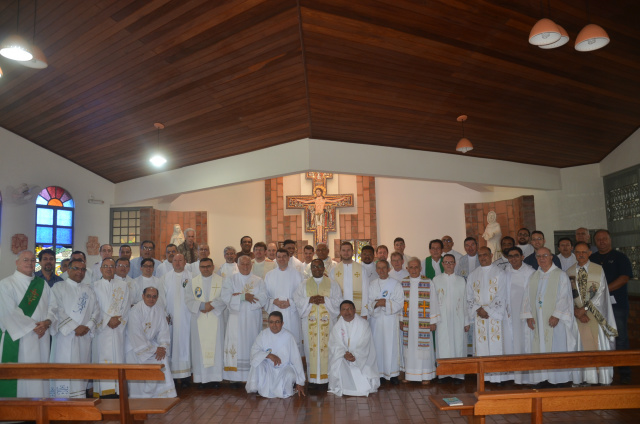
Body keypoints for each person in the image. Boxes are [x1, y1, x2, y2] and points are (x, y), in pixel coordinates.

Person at [0, 250, 55, 397]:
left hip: (40, 339)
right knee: (20, 377)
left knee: (38, 377)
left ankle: (38, 410)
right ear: (17, 262)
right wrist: (36, 327)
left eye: (32, 260)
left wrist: (48, 322)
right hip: (18, 338)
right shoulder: (6, 284)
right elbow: (9, 313)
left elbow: (53, 306)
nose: (30, 263)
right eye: (25, 260)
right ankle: (16, 412)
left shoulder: (42, 284)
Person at [521, 247, 577, 385]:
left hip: (554, 321)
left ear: (551, 257)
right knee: (538, 347)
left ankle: (558, 379)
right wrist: (528, 316)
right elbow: (527, 297)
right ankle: (541, 378)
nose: (541, 258)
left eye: (545, 255)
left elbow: (565, 297)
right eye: (538, 256)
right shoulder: (534, 276)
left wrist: (557, 315)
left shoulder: (560, 275)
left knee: (556, 347)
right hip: (537, 320)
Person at [569, 242, 618, 385]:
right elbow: (567, 294)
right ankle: (583, 378)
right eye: (578, 252)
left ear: (590, 253)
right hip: (577, 316)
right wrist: (575, 310)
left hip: (595, 314)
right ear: (574, 253)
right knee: (581, 346)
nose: (581, 255)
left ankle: (601, 378)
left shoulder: (598, 269)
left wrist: (584, 309)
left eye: (584, 252)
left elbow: (601, 292)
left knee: (597, 344)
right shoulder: (569, 271)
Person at [589, 229, 633, 385]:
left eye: (604, 239)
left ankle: (625, 373)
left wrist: (604, 290)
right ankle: (602, 372)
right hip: (596, 307)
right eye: (599, 239)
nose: (602, 241)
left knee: (620, 339)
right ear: (595, 242)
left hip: (617, 306)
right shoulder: (591, 258)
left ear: (610, 240)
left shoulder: (620, 257)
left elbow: (624, 278)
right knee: (599, 339)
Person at [50, 258, 99, 395]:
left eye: (83, 269)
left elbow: (96, 310)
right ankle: (61, 399)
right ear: (68, 270)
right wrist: (74, 327)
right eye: (76, 268)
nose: (80, 272)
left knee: (81, 368)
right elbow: (56, 309)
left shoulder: (89, 290)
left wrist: (88, 326)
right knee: (64, 367)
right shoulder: (58, 287)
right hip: (65, 337)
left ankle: (79, 400)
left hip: (84, 337)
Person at [294, 259, 342, 385]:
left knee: (328, 348)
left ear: (323, 268)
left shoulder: (333, 284)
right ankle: (313, 379)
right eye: (314, 267)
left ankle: (327, 379)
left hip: (328, 325)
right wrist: (309, 300)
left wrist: (325, 299)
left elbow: (338, 302)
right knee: (311, 350)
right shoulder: (303, 284)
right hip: (309, 325)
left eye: (319, 266)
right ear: (311, 269)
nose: (316, 269)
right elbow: (297, 301)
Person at [221, 255, 268, 385]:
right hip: (236, 320)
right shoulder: (231, 280)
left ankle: (251, 376)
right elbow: (225, 297)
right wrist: (243, 297)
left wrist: (240, 297)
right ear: (238, 265)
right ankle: (235, 378)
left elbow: (263, 298)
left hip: (253, 320)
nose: (246, 267)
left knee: (252, 343)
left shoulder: (258, 280)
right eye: (243, 264)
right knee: (236, 345)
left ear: (251, 265)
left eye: (248, 264)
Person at [466, 247, 508, 382]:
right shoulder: (473, 274)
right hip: (480, 316)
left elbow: (501, 295)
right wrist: (479, 309)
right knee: (481, 345)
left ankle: (497, 378)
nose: (483, 257)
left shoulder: (500, 273)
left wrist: (488, 310)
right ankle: (484, 378)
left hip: (494, 316)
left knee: (497, 344)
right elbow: (469, 296)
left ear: (491, 255)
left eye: (485, 255)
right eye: (480, 255)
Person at [125, 287, 177, 398]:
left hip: (150, 346)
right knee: (137, 376)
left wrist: (162, 347)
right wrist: (154, 349)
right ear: (143, 296)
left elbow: (164, 331)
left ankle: (158, 395)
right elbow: (136, 334)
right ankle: (138, 399)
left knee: (163, 359)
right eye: (148, 296)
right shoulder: (135, 311)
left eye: (154, 297)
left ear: (157, 298)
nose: (151, 299)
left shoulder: (159, 309)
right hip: (134, 347)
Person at [185, 258, 226, 389]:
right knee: (199, 349)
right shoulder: (193, 282)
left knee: (216, 348)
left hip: (215, 317)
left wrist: (212, 305)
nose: (205, 269)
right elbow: (188, 299)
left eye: (208, 266)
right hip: (199, 319)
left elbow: (224, 297)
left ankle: (215, 378)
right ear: (199, 268)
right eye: (203, 267)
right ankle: (201, 378)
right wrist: (202, 305)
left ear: (213, 267)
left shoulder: (221, 281)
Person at [246, 311, 306, 398]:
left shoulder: (289, 337)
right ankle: (257, 389)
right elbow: (254, 352)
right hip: (268, 368)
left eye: (277, 322)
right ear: (268, 323)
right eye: (271, 322)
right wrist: (269, 355)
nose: (274, 325)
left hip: (284, 368)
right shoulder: (263, 335)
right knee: (257, 363)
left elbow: (296, 359)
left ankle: (283, 390)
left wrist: (300, 383)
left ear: (282, 323)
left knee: (290, 375)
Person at [93, 257, 130, 397]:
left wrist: (119, 320)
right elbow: (94, 307)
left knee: (118, 358)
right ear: (101, 269)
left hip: (118, 331)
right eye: (105, 266)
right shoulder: (94, 286)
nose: (109, 268)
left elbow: (126, 307)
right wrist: (107, 319)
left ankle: (118, 390)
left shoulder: (123, 285)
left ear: (114, 269)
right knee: (101, 358)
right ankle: (103, 391)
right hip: (102, 330)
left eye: (111, 266)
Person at [400, 257, 440, 384]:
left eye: (416, 267)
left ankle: (426, 375)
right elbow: (401, 303)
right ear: (407, 269)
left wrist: (433, 320)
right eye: (411, 267)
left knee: (424, 348)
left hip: (423, 321)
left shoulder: (428, 282)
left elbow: (434, 301)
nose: (413, 269)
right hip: (409, 322)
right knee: (409, 347)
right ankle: (410, 374)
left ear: (420, 268)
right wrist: (401, 319)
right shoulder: (403, 283)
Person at [328, 301, 380, 397]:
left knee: (361, 370)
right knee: (339, 362)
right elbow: (334, 345)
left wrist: (354, 356)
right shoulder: (336, 327)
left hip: (361, 359)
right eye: (344, 309)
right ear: (340, 312)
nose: (347, 312)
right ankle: (345, 388)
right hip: (343, 357)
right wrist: (344, 354)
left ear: (355, 310)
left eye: (349, 309)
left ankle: (355, 387)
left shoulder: (364, 324)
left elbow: (365, 344)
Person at [367, 260, 403, 385]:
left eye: (384, 268)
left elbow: (400, 302)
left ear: (388, 269)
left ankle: (392, 374)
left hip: (391, 320)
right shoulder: (372, 284)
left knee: (391, 346)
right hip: (376, 321)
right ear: (376, 270)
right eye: (379, 268)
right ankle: (380, 373)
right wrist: (378, 303)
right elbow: (369, 302)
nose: (381, 271)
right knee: (377, 346)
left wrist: (385, 303)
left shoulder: (396, 284)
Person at [432, 254, 468, 383]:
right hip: (441, 319)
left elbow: (465, 301)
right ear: (442, 264)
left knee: (458, 345)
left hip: (458, 319)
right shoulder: (436, 280)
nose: (448, 264)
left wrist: (467, 321)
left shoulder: (461, 280)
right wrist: (433, 320)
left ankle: (458, 374)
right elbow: (433, 302)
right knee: (443, 346)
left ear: (455, 264)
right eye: (446, 262)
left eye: (451, 262)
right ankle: (443, 374)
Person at [159, 253, 192, 387]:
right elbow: (161, 298)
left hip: (187, 317)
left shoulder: (192, 277)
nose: (178, 263)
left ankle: (186, 377)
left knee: (186, 344)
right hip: (171, 318)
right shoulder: (165, 278)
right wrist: (164, 314)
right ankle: (172, 376)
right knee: (172, 345)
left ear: (185, 262)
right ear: (171, 262)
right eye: (175, 261)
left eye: (180, 260)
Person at [502, 247, 535, 384]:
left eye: (516, 256)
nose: (513, 259)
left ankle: (526, 376)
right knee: (511, 342)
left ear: (522, 256)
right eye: (510, 256)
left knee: (525, 342)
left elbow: (532, 294)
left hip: (525, 314)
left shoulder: (530, 272)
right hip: (509, 314)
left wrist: (529, 314)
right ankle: (513, 375)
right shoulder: (505, 272)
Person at [264, 249, 303, 354]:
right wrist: (273, 301)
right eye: (279, 257)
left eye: (284, 256)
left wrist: (290, 302)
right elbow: (265, 296)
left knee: (292, 345)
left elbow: (302, 295)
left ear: (288, 258)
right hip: (275, 313)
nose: (281, 259)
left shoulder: (297, 275)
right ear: (276, 258)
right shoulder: (269, 275)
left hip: (292, 314)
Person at [330, 242, 369, 317]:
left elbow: (366, 291)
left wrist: (364, 312)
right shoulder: (334, 270)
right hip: (339, 311)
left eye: (348, 250)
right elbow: (331, 293)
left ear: (352, 252)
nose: (346, 252)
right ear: (340, 252)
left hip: (357, 310)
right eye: (343, 250)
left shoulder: (361, 269)